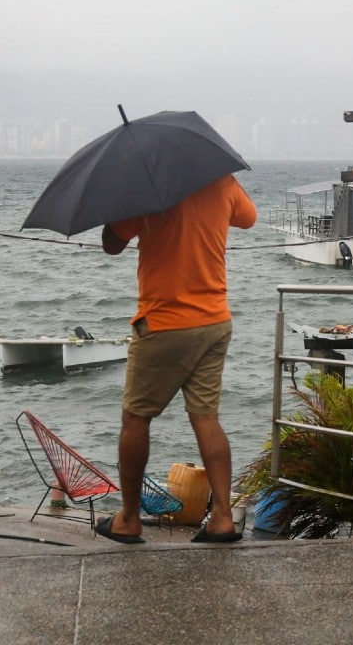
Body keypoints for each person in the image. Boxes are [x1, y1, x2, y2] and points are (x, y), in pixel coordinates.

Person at [95, 173, 257, 544]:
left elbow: (111, 244)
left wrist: (120, 203)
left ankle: (129, 519)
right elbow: (248, 218)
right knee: (206, 416)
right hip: (215, 319)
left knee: (135, 418)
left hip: (165, 323)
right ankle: (222, 518)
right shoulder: (223, 181)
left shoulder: (146, 187)